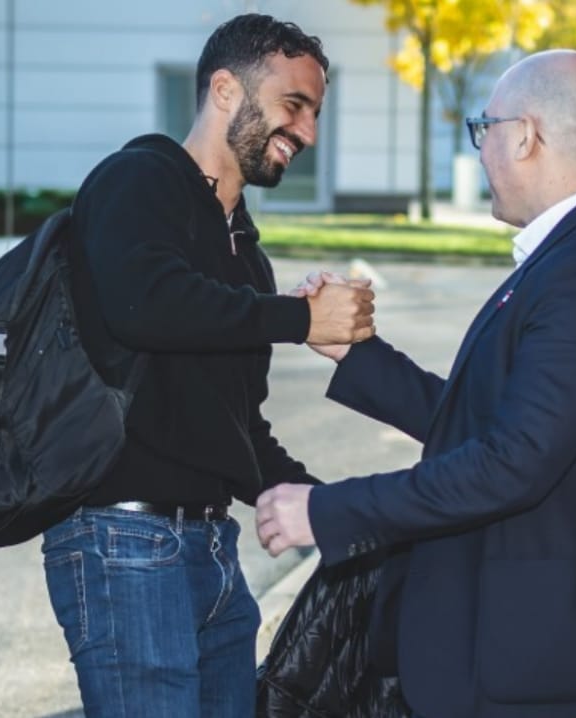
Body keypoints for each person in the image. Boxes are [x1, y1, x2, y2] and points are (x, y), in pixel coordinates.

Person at [257, 49, 576, 718]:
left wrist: (325, 512)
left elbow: (510, 465)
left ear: (527, 136)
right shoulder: (575, 258)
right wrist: (357, 356)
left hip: (538, 672)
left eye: (486, 128)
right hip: (508, 655)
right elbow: (487, 423)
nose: (481, 150)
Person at [39, 14, 375, 718]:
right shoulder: (139, 180)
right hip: (121, 540)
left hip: (210, 550)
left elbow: (237, 426)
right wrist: (299, 319)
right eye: (294, 106)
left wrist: (341, 515)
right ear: (225, 90)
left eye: (314, 113)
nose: (307, 132)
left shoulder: (246, 255)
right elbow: (146, 304)